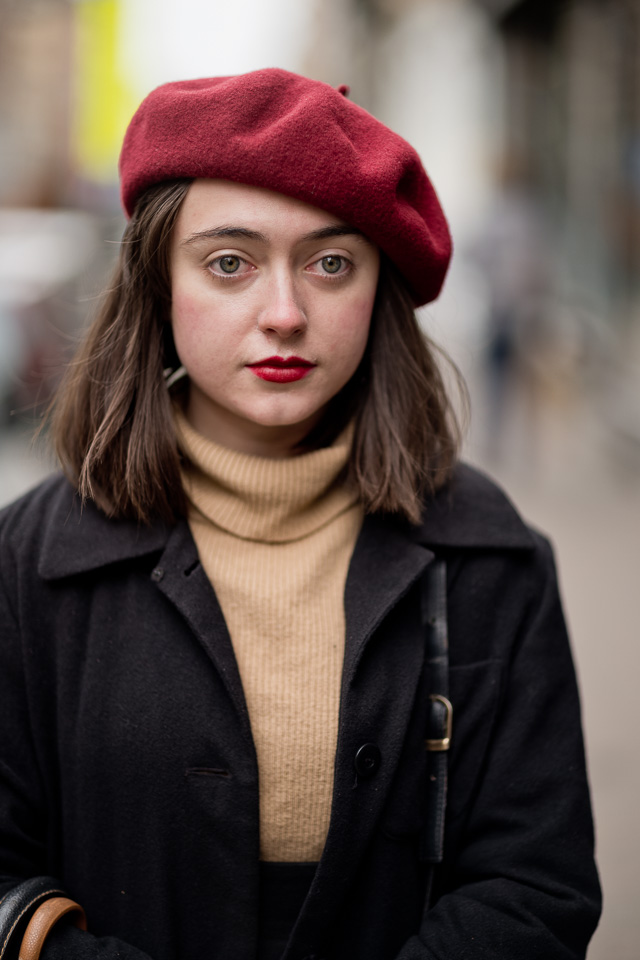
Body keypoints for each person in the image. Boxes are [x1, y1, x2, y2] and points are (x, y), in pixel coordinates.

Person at [0, 69, 600, 960]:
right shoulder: (28, 558)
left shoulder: (492, 556)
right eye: (229, 263)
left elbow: (536, 886)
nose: (284, 314)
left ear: (375, 289)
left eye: (330, 263)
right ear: (158, 285)